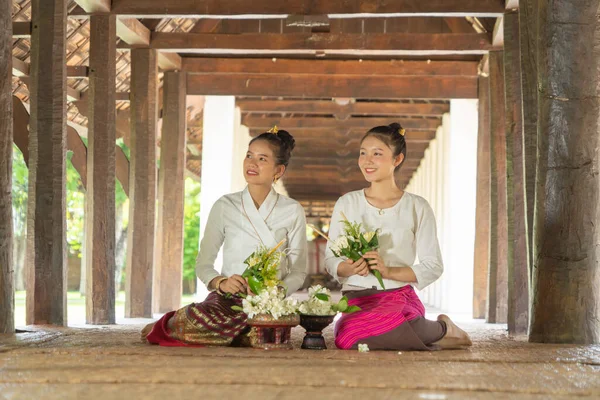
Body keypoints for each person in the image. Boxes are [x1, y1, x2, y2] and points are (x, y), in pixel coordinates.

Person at [142, 127, 307, 346]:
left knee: (266, 327)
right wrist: (221, 282)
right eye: (249, 155)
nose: (252, 163)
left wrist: (278, 290)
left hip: (267, 303)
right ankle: (172, 323)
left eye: (262, 159)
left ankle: (236, 334)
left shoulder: (292, 210)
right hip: (226, 301)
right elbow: (203, 263)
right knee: (198, 318)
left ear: (279, 170)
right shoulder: (225, 205)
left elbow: (298, 271)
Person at [325, 123, 472, 350]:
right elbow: (331, 261)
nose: (367, 160)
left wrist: (388, 272)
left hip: (397, 295)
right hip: (358, 297)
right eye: (363, 153)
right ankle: (439, 331)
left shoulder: (417, 206)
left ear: (397, 159)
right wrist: (350, 267)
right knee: (347, 338)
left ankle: (438, 329)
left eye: (377, 154)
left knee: (380, 323)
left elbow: (433, 266)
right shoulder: (347, 203)